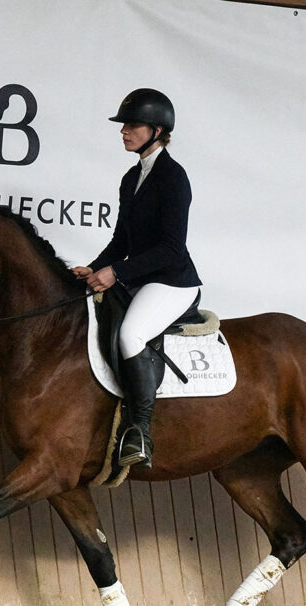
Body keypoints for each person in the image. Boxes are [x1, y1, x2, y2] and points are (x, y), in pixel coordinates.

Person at [72, 88, 202, 469]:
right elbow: (122, 241)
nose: (124, 131)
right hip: (141, 278)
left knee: (131, 334)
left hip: (173, 282)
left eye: (132, 125)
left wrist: (117, 273)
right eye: (124, 125)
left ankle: (139, 432)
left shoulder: (174, 178)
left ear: (157, 130)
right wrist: (95, 269)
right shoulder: (131, 178)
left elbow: (171, 249)